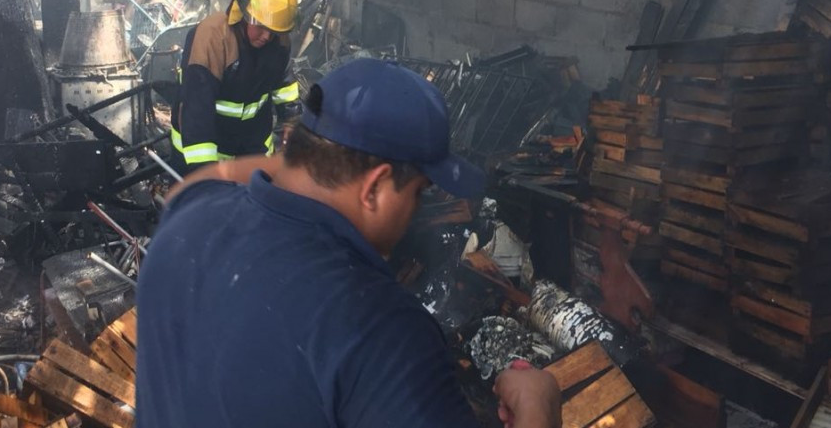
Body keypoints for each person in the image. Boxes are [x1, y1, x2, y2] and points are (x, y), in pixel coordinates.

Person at [137, 58, 562, 428]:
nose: (417, 209)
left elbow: (229, 177)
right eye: (418, 192)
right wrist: (538, 411)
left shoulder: (189, 214)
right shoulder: (381, 331)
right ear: (375, 187)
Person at [169, 0, 301, 172]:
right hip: (202, 152)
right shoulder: (212, 38)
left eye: (274, 31)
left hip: (252, 150)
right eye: (260, 26)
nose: (267, 36)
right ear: (245, 15)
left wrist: (292, 121)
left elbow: (284, 86)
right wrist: (205, 175)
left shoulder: (278, 42)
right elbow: (197, 111)